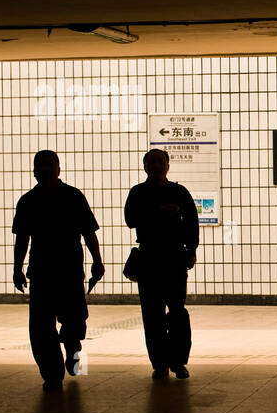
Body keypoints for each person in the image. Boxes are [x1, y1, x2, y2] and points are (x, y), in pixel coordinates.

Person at [12, 150, 104, 390]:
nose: (44, 169)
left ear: (58, 169)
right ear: (33, 172)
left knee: (75, 319)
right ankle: (52, 375)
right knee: (41, 328)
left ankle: (73, 347)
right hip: (41, 272)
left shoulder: (73, 196)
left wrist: (97, 260)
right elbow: (22, 239)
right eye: (40, 166)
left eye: (49, 165)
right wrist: (17, 268)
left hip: (70, 270)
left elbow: (89, 232)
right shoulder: (27, 201)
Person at [124, 148, 199, 380]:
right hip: (149, 258)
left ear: (168, 166)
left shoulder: (179, 191)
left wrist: (192, 250)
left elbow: (192, 222)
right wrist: (158, 212)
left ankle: (178, 362)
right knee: (152, 314)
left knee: (177, 312)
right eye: (151, 162)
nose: (156, 166)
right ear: (144, 167)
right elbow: (129, 220)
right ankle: (160, 363)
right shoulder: (137, 192)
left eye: (160, 161)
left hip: (174, 257)